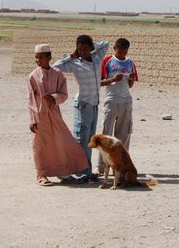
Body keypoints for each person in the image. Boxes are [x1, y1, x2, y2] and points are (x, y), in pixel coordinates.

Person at [27, 44, 88, 186]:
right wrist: (33, 119)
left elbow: (64, 94)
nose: (37, 60)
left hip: (54, 114)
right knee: (40, 145)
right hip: (39, 115)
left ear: (49, 58)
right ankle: (41, 175)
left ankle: (64, 173)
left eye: (40, 58)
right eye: (36, 58)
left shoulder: (58, 74)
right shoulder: (32, 76)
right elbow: (30, 99)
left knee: (62, 142)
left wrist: (54, 98)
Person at [53, 35, 109, 182]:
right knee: (80, 139)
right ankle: (79, 171)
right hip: (83, 104)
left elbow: (106, 44)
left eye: (85, 48)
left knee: (90, 140)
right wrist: (70, 55)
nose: (83, 52)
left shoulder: (97, 58)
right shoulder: (74, 64)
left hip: (94, 104)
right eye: (80, 49)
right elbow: (55, 67)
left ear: (91, 48)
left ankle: (86, 171)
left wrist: (92, 46)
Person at [97, 38, 138, 174]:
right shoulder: (107, 61)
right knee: (106, 135)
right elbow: (100, 82)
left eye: (125, 51)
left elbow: (130, 85)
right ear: (115, 48)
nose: (122, 54)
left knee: (124, 135)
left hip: (126, 102)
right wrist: (114, 79)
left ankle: (121, 167)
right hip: (111, 101)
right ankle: (102, 167)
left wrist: (130, 79)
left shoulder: (130, 63)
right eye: (120, 51)